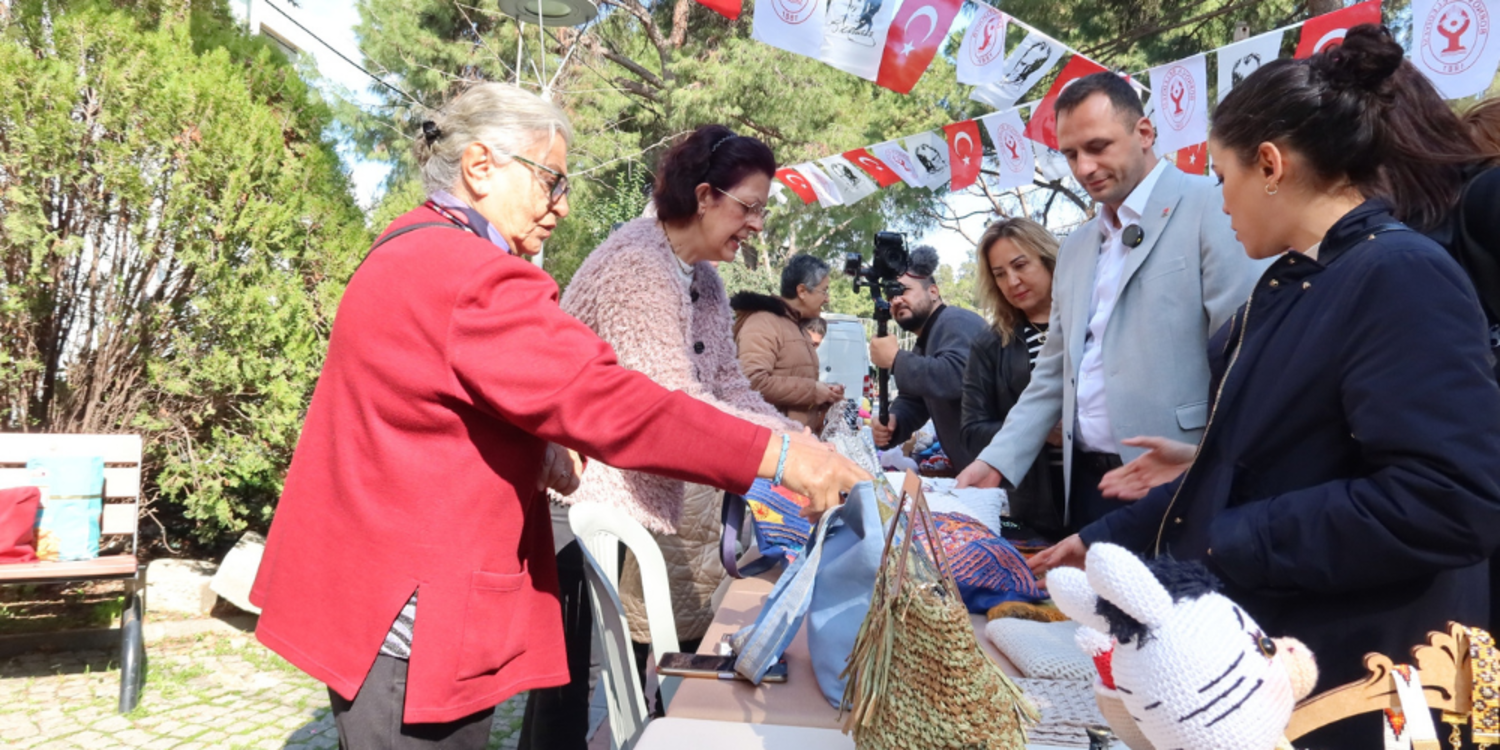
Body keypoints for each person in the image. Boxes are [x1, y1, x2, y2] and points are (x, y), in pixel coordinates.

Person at [247, 86, 868, 750]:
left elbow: (435, 404)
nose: (563, 205)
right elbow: (616, 402)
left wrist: (534, 443)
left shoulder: (416, 246)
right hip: (409, 612)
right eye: (551, 180)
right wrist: (784, 458)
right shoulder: (469, 273)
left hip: (377, 590)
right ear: (480, 166)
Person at [1030, 27, 1500, 746]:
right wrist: (1101, 540)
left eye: (1223, 177)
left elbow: (1446, 500)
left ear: (1271, 165)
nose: (1220, 202)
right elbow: (1255, 462)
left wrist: (1230, 538)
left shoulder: (1400, 275)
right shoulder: (1294, 283)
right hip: (1284, 651)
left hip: (1358, 677)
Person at [559, 124, 810, 720]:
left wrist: (801, 441)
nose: (756, 225)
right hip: (584, 495)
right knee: (573, 690)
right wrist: (788, 456)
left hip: (641, 497)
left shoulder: (706, 281)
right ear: (704, 196)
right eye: (749, 207)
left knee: (627, 668)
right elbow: (670, 399)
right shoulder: (637, 263)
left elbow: (728, 386)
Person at [954, 72, 1265, 534]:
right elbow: (1053, 372)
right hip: (1084, 489)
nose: (1084, 168)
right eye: (1071, 154)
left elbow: (1249, 359)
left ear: (1145, 133)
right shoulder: (1077, 247)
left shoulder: (1212, 207)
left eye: (1098, 147)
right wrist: (997, 460)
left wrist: (1215, 465)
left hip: (1181, 484)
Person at [960, 218, 1067, 540]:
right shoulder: (991, 343)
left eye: (1020, 265)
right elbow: (972, 431)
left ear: (1049, 260)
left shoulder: (1092, 322)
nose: (1012, 281)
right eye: (1000, 274)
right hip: (1034, 510)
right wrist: (1039, 431)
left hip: (1104, 492)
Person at [869, 246, 988, 470]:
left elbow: (956, 377)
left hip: (999, 471)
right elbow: (915, 400)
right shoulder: (926, 339)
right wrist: (894, 421)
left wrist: (895, 359)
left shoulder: (956, 321)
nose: (896, 301)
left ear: (933, 292)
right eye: (891, 295)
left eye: (903, 290)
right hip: (978, 471)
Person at [731, 253, 844, 433]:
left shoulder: (797, 326)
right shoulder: (763, 322)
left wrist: (825, 395)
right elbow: (752, 381)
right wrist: (813, 391)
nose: (827, 298)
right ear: (802, 291)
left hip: (795, 440)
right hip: (773, 440)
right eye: (824, 291)